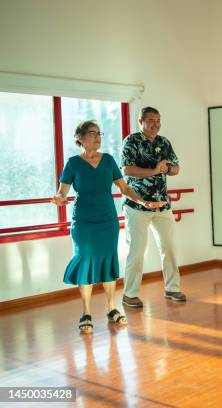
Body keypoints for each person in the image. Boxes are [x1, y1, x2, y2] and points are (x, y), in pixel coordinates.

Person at [52, 120, 165, 333]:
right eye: (92, 133)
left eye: (99, 133)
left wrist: (143, 201)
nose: (97, 137)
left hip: (107, 221)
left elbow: (124, 187)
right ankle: (86, 313)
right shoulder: (73, 163)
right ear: (81, 138)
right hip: (83, 222)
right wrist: (59, 198)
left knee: (107, 261)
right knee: (85, 260)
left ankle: (112, 308)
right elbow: (62, 192)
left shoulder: (108, 161)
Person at [120, 107, 186, 308]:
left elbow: (175, 168)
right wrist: (154, 170)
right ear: (141, 121)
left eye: (158, 120)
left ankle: (172, 289)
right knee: (136, 251)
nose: (156, 124)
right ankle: (129, 294)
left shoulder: (164, 142)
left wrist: (168, 169)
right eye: (151, 120)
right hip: (137, 206)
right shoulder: (131, 141)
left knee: (170, 248)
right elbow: (127, 170)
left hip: (162, 206)